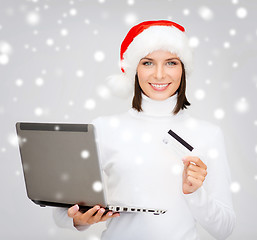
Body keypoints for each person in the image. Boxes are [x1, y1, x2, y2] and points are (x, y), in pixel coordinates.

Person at [53, 20, 236, 240]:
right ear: (133, 69)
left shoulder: (208, 134)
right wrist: (78, 220)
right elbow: (61, 212)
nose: (159, 75)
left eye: (171, 63)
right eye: (148, 63)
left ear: (183, 68)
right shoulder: (103, 128)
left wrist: (195, 193)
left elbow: (225, 229)